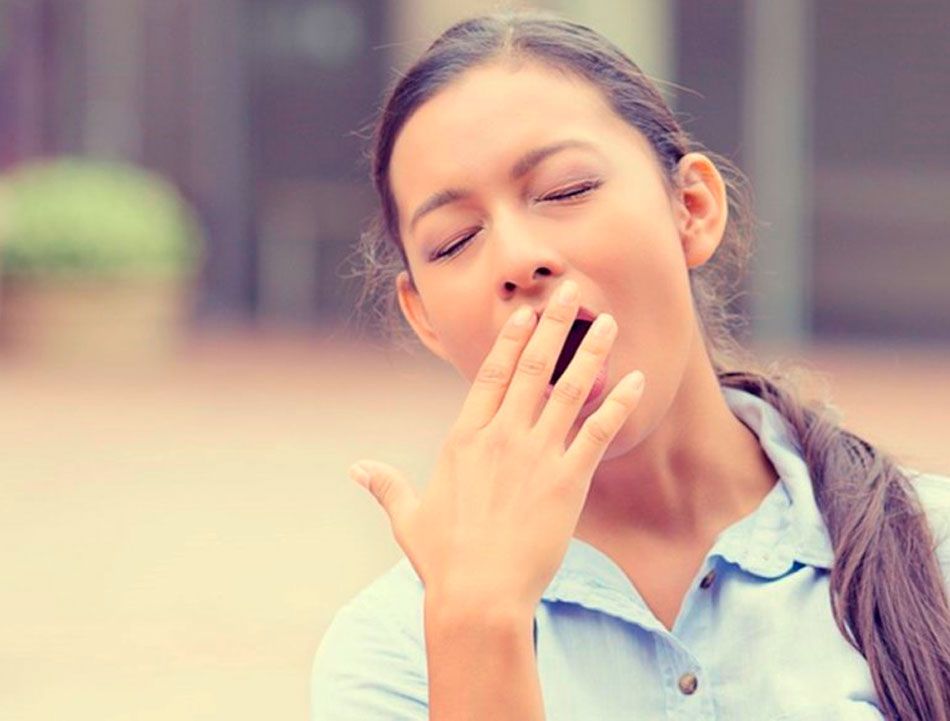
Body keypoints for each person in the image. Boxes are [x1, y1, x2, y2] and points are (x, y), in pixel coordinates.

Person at [311, 10, 950, 721]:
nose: (520, 258)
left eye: (564, 190)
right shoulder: (392, 652)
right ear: (423, 315)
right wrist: (479, 628)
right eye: (456, 240)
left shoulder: (930, 553)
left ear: (693, 209)